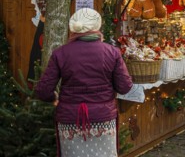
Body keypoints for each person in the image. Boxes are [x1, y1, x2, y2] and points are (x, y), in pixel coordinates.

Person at [35, 8, 134, 156]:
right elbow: (125, 87)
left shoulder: (60, 53)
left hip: (70, 119)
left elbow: (43, 91)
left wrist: (54, 98)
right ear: (97, 26)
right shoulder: (112, 52)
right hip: (103, 119)